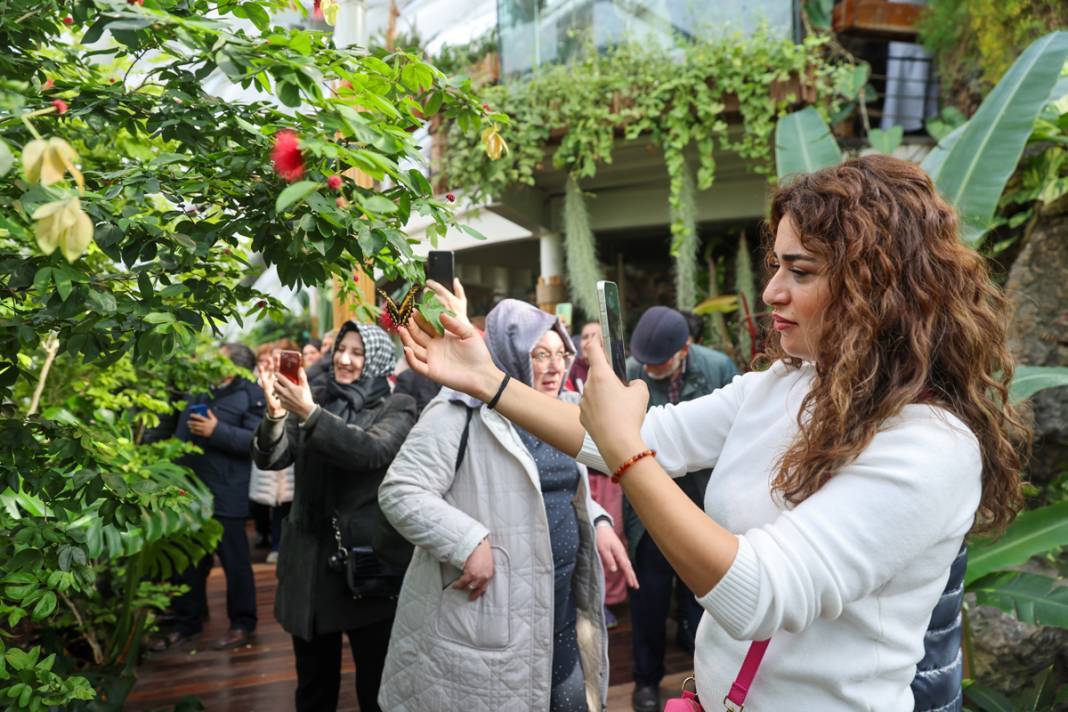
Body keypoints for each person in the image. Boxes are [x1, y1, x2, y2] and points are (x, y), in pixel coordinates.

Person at [397, 155, 1029, 710]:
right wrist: (489, 382)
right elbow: (635, 433)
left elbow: (757, 594)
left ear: (880, 289)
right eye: (775, 265)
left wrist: (626, 450)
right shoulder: (785, 384)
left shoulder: (929, 445)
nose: (772, 291)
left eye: (801, 271)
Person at [378, 296, 636, 712]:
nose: (555, 366)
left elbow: (570, 489)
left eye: (561, 353)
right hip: (493, 622)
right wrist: (467, 541)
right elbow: (400, 490)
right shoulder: (458, 410)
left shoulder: (568, 409)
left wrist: (599, 520)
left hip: (561, 611)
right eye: (541, 354)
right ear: (509, 354)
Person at [252, 321, 417, 711]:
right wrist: (276, 416)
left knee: (375, 685)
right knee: (313, 686)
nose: (344, 359)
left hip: (367, 563)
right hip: (308, 561)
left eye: (357, 353)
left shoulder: (397, 406)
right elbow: (272, 459)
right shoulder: (316, 395)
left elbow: (370, 452)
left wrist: (309, 413)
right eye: (342, 348)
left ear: (375, 358)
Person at [623, 305, 737, 710]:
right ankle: (645, 681)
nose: (650, 371)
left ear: (685, 349)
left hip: (703, 506)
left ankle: (702, 684)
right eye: (645, 364)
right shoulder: (632, 370)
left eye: (660, 364)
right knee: (648, 601)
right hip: (649, 508)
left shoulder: (719, 369)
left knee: (704, 602)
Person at [152, 342, 265, 651]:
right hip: (187, 491)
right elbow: (170, 425)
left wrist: (217, 431)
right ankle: (187, 622)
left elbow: (256, 443)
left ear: (234, 369)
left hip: (226, 492)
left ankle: (242, 623)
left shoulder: (251, 394)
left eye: (218, 361)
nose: (210, 364)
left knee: (235, 562)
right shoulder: (197, 388)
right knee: (187, 562)